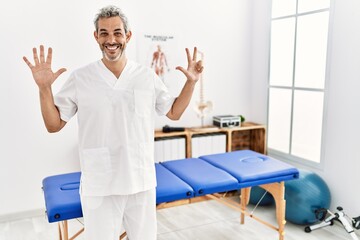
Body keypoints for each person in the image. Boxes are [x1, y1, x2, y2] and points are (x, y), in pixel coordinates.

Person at [23, 5, 203, 240]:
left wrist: (191, 83)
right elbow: (53, 124)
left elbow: (173, 112)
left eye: (117, 32)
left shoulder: (146, 76)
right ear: (96, 36)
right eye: (104, 33)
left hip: (141, 183)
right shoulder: (81, 77)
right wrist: (44, 89)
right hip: (100, 186)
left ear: (127, 36)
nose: (111, 39)